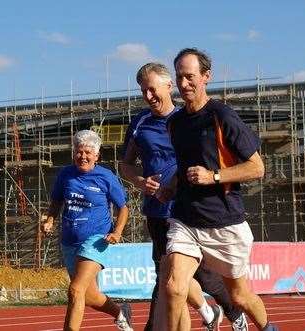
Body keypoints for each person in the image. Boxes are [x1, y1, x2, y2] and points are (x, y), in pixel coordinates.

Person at [120, 62, 248, 331]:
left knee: (205, 278)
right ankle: (206, 311)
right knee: (167, 278)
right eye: (143, 91)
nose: (148, 96)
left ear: (169, 86)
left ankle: (233, 312)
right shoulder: (140, 122)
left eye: (153, 90)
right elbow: (126, 166)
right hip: (156, 212)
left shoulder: (185, 119)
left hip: (189, 210)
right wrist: (140, 181)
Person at [160, 48, 278, 331]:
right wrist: (170, 185)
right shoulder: (175, 123)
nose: (184, 84)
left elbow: (257, 168)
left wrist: (213, 176)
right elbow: (186, 165)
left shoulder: (222, 115)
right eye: (179, 77)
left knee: (239, 296)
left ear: (206, 77)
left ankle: (269, 328)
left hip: (223, 222)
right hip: (186, 219)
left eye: (190, 77)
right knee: (175, 287)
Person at [41, 130, 133, 331]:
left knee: (75, 290)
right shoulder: (65, 175)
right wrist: (50, 219)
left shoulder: (106, 177)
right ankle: (120, 312)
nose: (83, 156)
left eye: (88, 153)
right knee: (89, 296)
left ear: (97, 155)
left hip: (96, 240)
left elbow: (123, 207)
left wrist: (117, 232)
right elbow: (56, 201)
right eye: (79, 152)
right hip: (69, 242)